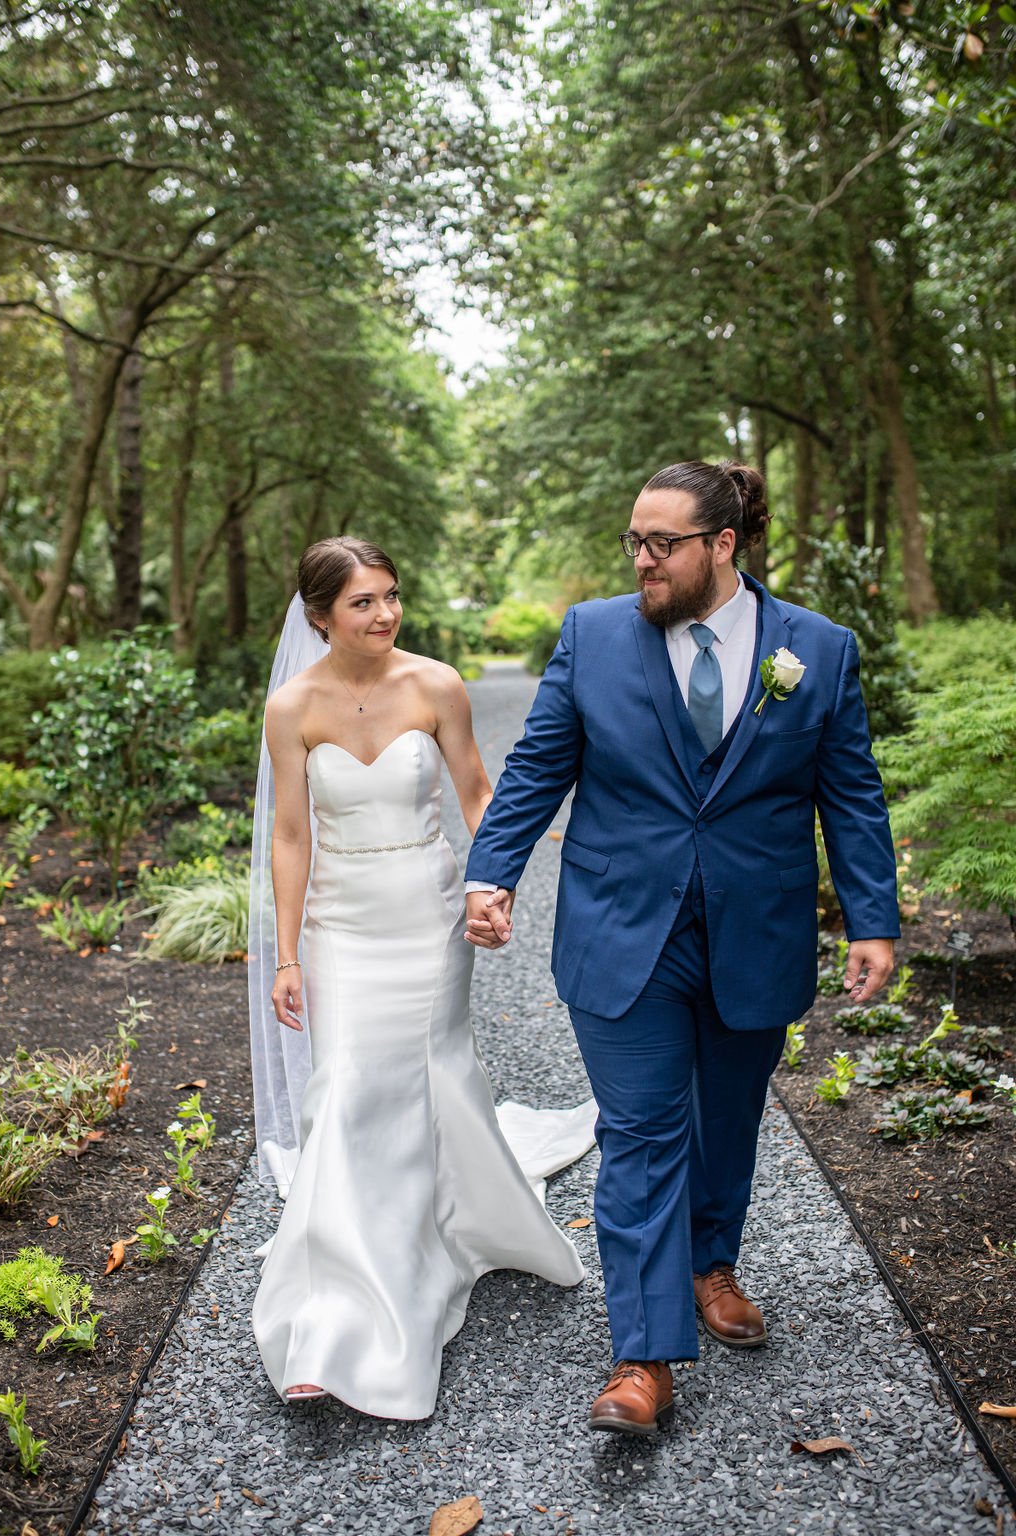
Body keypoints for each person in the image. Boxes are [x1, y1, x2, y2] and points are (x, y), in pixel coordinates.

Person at [464, 460, 899, 1436]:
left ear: (722, 545)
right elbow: (537, 766)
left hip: (757, 928)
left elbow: (851, 793)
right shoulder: (593, 635)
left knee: (726, 1120)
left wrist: (872, 918)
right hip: (624, 928)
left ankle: (710, 1265)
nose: (643, 560)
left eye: (663, 544)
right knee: (642, 1134)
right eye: (635, 542)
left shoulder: (816, 652)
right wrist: (492, 872)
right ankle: (643, 1356)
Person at [248, 536, 592, 1416]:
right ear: (319, 615)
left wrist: (495, 883)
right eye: (363, 602)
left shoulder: (435, 684)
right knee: (351, 1088)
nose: (386, 614)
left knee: (429, 1074)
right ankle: (330, 1320)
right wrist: (286, 956)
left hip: (427, 913)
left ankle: (439, 1226)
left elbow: (479, 794)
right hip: (339, 925)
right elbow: (291, 837)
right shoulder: (291, 707)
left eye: (391, 596)